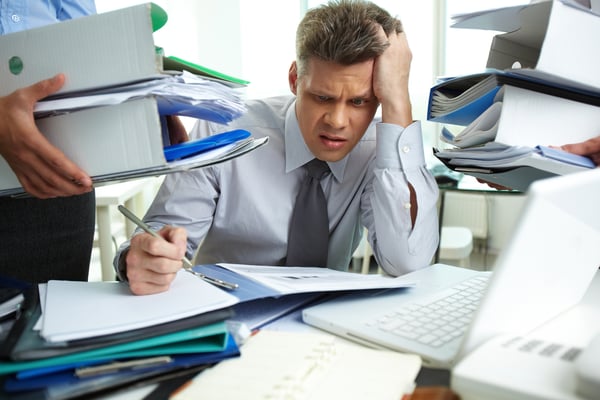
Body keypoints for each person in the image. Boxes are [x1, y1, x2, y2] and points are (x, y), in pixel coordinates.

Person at [115, 0, 440, 295]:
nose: (338, 121)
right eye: (322, 97)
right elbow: (163, 232)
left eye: (359, 101)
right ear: (295, 79)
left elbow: (406, 263)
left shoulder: (376, 151)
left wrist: (398, 101)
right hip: (226, 312)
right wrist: (142, 257)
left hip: (326, 326)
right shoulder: (223, 130)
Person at [0, 1, 98, 283]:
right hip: (53, 175)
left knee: (52, 320)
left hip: (55, 184)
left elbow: (87, 38)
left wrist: (147, 94)